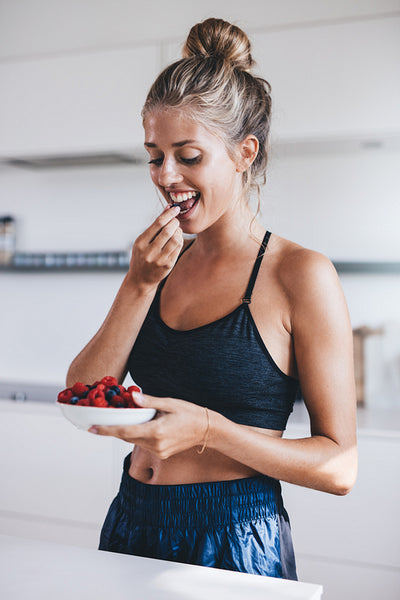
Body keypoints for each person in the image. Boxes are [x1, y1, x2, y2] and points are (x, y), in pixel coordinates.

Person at [66, 18, 357, 580]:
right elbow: (82, 395)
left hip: (232, 536)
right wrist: (138, 284)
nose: (166, 175)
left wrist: (208, 429)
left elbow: (339, 466)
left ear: (245, 153)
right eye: (154, 156)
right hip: (130, 517)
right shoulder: (157, 264)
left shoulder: (301, 274)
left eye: (188, 156)